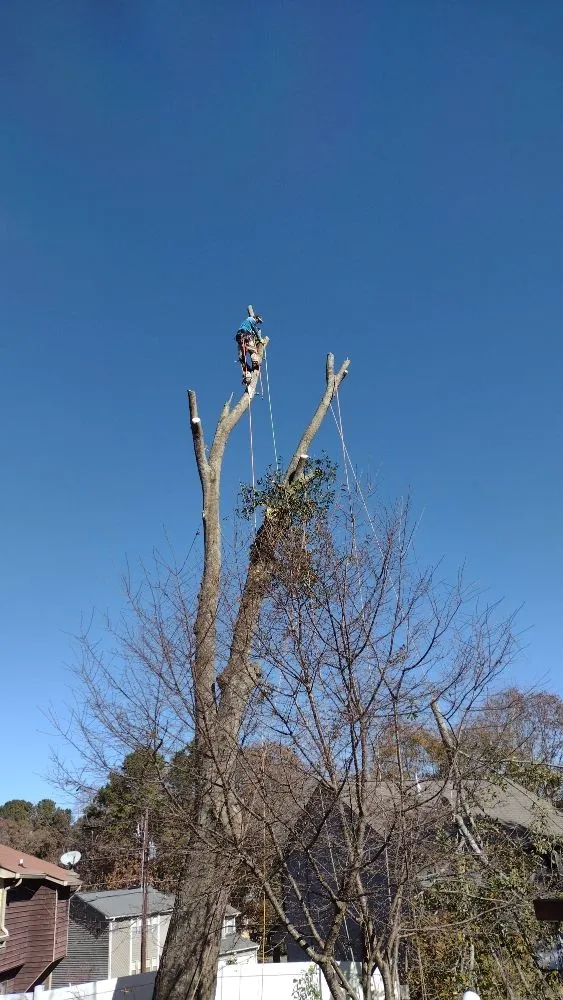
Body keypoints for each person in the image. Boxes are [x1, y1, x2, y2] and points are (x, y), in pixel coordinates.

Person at [235, 313, 264, 384]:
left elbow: (253, 329)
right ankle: (255, 361)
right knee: (253, 350)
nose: (258, 322)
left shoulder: (245, 322)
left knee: (242, 357)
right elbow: (255, 330)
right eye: (258, 321)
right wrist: (260, 339)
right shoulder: (251, 319)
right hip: (245, 335)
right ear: (256, 318)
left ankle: (247, 374)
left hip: (239, 337)